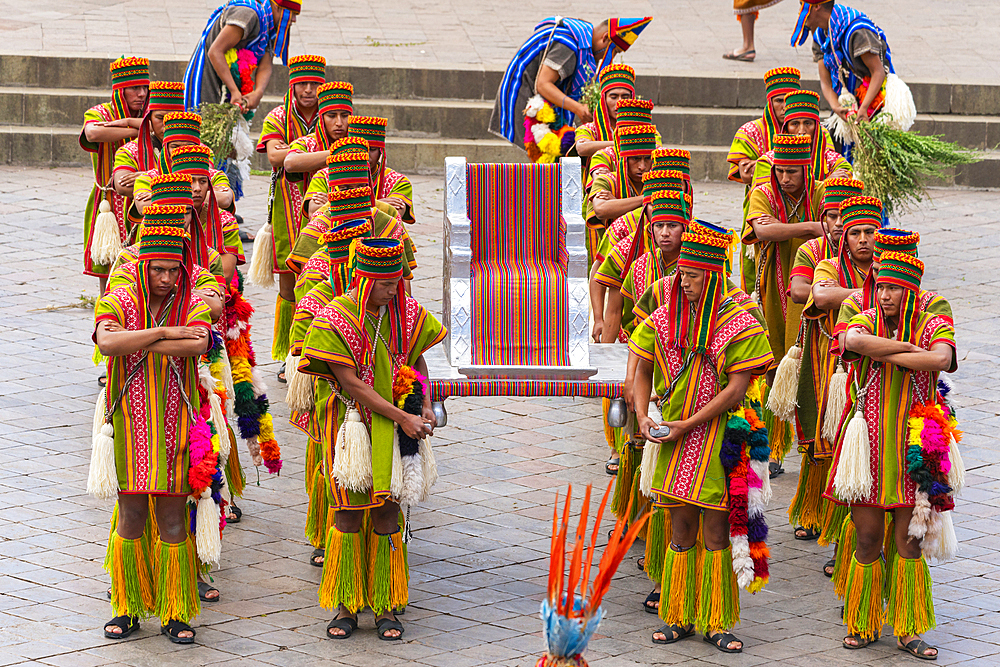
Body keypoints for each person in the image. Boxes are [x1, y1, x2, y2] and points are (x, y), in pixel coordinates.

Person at [630, 226, 774, 653]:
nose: (683, 281)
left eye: (693, 275)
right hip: (672, 437)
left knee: (715, 529)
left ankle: (716, 619)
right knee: (680, 527)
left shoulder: (739, 322)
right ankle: (677, 614)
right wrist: (641, 414)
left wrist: (688, 423)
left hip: (717, 438)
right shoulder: (664, 316)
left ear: (712, 276)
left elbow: (735, 389)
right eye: (681, 274)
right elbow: (639, 367)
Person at [298, 238, 446, 640]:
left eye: (397, 280)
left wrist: (425, 402)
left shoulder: (406, 311)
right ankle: (345, 605)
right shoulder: (334, 318)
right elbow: (351, 383)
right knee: (347, 511)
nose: (393, 289)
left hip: (395, 423)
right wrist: (404, 416)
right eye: (384, 283)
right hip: (350, 427)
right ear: (363, 279)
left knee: (386, 511)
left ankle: (385, 604)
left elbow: (417, 358)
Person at [825, 249, 957, 659]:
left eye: (893, 288)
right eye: (879, 285)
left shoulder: (935, 310)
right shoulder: (861, 314)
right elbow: (852, 341)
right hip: (867, 446)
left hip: (916, 444)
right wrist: (906, 350)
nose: (883, 294)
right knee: (867, 539)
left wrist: (883, 352)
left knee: (909, 542)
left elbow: (941, 358)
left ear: (910, 289)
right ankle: (862, 622)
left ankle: (908, 628)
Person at [95, 204, 213, 645]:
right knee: (129, 514)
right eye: (158, 270)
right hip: (127, 421)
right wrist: (165, 333)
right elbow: (107, 342)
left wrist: (143, 336)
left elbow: (198, 342)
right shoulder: (120, 294)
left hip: (177, 423)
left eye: (173, 270)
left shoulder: (193, 299)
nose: (166, 279)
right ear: (142, 265)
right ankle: (126, 606)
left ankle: (175, 609)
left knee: (171, 517)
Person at [785, 190, 871, 562]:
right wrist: (876, 292)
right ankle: (820, 516)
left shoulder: (889, 261)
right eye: (854, 230)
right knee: (829, 439)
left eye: (870, 231)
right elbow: (813, 296)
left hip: (873, 371)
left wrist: (845, 295)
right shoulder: (821, 258)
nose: (861, 238)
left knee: (863, 450)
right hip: (828, 364)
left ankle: (850, 540)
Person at [287, 215, 374, 568]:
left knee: (382, 491)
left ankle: (383, 572)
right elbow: (302, 346)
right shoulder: (318, 293)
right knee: (337, 473)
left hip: (382, 399)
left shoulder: (392, 296)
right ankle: (333, 545)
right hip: (334, 401)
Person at [489, 17, 651, 148]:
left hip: (541, 102)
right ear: (605, 38)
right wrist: (579, 109)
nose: (609, 57)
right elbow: (543, 85)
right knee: (536, 161)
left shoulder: (583, 40)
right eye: (613, 50)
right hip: (522, 96)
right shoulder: (569, 43)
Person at [80, 56, 150, 292]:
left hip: (144, 197)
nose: (141, 94)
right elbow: (92, 134)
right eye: (134, 88)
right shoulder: (100, 112)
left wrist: (131, 121)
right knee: (109, 273)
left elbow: (170, 130)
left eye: (144, 87)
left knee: (146, 269)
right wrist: (141, 127)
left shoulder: (153, 113)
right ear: (120, 90)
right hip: (108, 202)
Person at [185, 0, 302, 112]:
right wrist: (234, 91)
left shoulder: (269, 22)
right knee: (199, 121)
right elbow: (215, 52)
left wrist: (258, 92)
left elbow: (266, 63)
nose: (294, 19)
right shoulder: (248, 14)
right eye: (292, 13)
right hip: (205, 72)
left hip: (226, 73)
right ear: (277, 7)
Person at [791, 0, 893, 125]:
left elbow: (878, 71)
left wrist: (864, 108)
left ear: (817, 6)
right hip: (847, 104)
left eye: (802, 6)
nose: (799, 12)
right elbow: (826, 81)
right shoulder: (820, 35)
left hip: (874, 102)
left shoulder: (857, 31)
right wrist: (836, 107)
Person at [751, 89, 850, 190]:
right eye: (795, 124)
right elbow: (765, 197)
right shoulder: (768, 163)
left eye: (808, 123)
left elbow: (841, 194)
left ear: (817, 128)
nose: (802, 131)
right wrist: (824, 185)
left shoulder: (833, 162)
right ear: (786, 129)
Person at [348, 116, 416, 225]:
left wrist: (341, 204)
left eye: (373, 149)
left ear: (381, 151)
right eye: (360, 149)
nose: (365, 155)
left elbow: (393, 216)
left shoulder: (399, 182)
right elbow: (315, 211)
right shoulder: (326, 176)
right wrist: (377, 204)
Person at [574, 64, 635, 171]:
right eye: (613, 97)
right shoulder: (588, 129)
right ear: (604, 100)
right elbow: (581, 148)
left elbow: (656, 150)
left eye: (625, 97)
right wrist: (625, 144)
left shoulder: (644, 129)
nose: (620, 102)